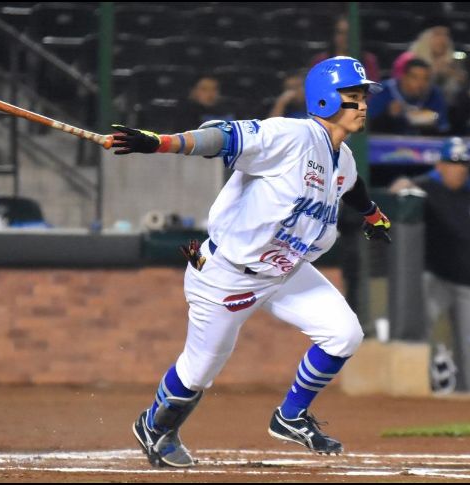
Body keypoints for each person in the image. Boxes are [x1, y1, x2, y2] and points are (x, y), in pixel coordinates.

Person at [110, 56, 391, 468]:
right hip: (227, 273)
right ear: (326, 100)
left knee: (344, 334)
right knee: (199, 373)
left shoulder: (342, 156)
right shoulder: (290, 135)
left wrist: (372, 215)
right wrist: (162, 142)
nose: (363, 105)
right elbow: (222, 138)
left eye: (364, 97)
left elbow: (351, 186)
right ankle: (154, 426)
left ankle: (290, 416)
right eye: (353, 96)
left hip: (285, 270)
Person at [390, 138, 470, 392]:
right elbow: (399, 193)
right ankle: (414, 393)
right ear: (441, 165)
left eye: (464, 163)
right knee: (417, 333)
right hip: (437, 279)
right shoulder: (426, 188)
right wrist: (402, 186)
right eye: (454, 163)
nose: (460, 168)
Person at [393, 18, 467, 104]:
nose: (443, 39)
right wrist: (433, 73)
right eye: (437, 34)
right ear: (426, 37)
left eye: (446, 35)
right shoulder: (408, 59)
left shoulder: (453, 62)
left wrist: (456, 77)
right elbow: (398, 89)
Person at [368, 58, 450, 135]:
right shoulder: (384, 90)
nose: (421, 83)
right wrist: (387, 114)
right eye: (415, 77)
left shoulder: (434, 93)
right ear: (404, 77)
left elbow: (443, 128)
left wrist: (432, 122)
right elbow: (368, 125)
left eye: (426, 79)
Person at [310, 15, 380, 82]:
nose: (346, 37)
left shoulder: (369, 61)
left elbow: (372, 88)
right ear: (334, 35)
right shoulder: (320, 62)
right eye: (341, 33)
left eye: (349, 33)